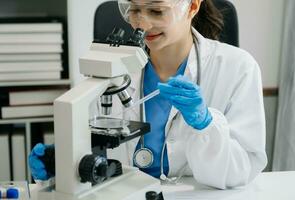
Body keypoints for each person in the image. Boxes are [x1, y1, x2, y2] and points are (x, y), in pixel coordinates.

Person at [29, 0, 267, 189]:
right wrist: (60, 162)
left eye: (156, 10)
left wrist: (206, 124)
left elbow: (242, 170)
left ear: (192, 6)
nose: (142, 23)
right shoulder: (112, 68)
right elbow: (91, 150)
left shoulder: (237, 68)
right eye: (134, 9)